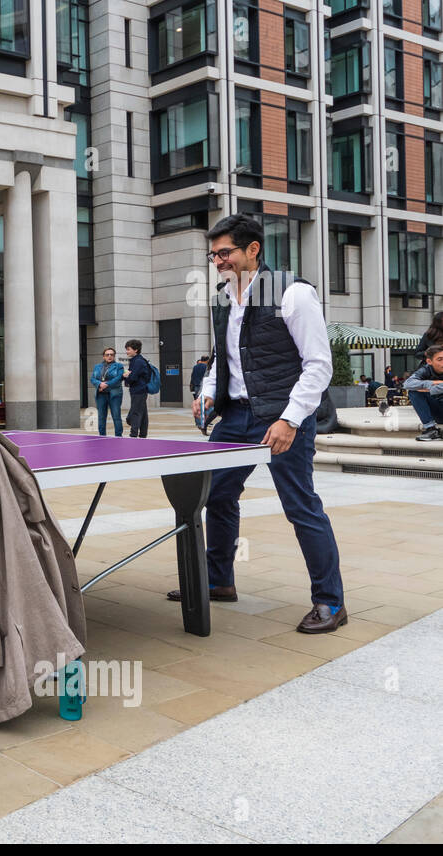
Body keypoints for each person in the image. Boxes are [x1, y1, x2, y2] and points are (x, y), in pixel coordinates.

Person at [169, 213, 344, 635]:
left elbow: (319, 365)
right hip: (236, 415)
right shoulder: (225, 296)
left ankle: (330, 602)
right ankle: (219, 581)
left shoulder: (294, 294)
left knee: (301, 507)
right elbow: (224, 355)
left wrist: (289, 419)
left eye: (224, 252)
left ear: (253, 250)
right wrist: (209, 391)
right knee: (218, 494)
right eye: (213, 254)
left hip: (283, 416)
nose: (218, 261)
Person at [404, 344, 443, 441]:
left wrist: (430, 389)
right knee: (414, 392)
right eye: (440, 359)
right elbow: (407, 384)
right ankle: (431, 429)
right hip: (439, 411)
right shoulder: (425, 370)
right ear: (429, 361)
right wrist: (432, 383)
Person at [121, 340, 153, 438]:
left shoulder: (138, 361)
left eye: (128, 349)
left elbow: (133, 377)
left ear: (136, 350)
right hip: (140, 390)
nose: (127, 352)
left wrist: (126, 376)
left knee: (135, 413)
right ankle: (143, 434)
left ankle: (133, 434)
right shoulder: (137, 360)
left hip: (138, 390)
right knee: (143, 413)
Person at [90, 348, 124, 437]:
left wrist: (106, 384)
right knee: (101, 417)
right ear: (104, 356)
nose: (109, 356)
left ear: (114, 356)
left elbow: (118, 378)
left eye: (112, 354)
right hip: (101, 394)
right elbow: (92, 378)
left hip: (114, 394)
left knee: (116, 416)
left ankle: (119, 436)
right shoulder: (97, 366)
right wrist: (99, 384)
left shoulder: (119, 366)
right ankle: (102, 436)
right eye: (107, 354)